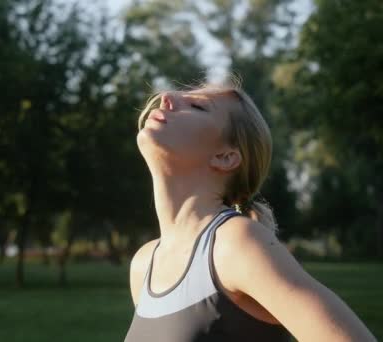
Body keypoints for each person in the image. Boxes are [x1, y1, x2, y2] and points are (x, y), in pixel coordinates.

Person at [123, 81, 377, 342]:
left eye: (198, 106)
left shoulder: (235, 243)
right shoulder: (143, 265)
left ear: (225, 157)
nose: (165, 97)